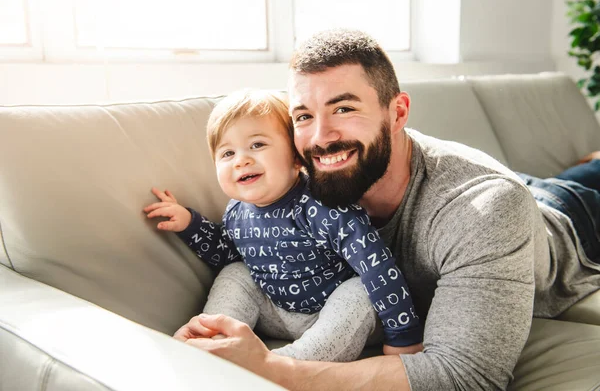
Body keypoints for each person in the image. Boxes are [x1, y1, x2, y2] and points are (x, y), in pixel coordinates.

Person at [172, 29, 600, 390]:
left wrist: (274, 369)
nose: (321, 137)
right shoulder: (298, 183)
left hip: (565, 220)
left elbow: (467, 375)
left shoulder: (484, 210)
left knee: (579, 182)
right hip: (502, 187)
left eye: (343, 108)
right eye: (303, 116)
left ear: (398, 113)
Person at [144, 89, 423, 362]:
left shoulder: (323, 205)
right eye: (227, 153)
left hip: (333, 315)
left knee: (361, 289)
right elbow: (226, 253)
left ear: (295, 156)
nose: (241, 160)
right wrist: (190, 225)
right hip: (275, 310)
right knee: (236, 270)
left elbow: (377, 265)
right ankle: (216, 343)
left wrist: (404, 336)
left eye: (257, 145)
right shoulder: (236, 212)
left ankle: (290, 363)